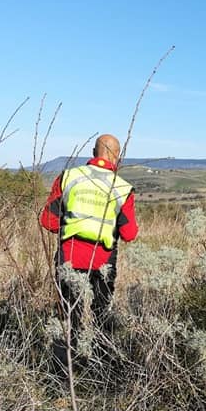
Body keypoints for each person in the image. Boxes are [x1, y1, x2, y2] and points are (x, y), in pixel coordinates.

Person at [40, 134, 138, 333]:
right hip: (103, 263)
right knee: (102, 316)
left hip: (68, 259)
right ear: (117, 156)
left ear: (93, 153)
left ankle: (65, 362)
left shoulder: (68, 177)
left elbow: (48, 221)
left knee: (67, 319)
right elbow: (129, 234)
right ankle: (101, 361)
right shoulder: (122, 188)